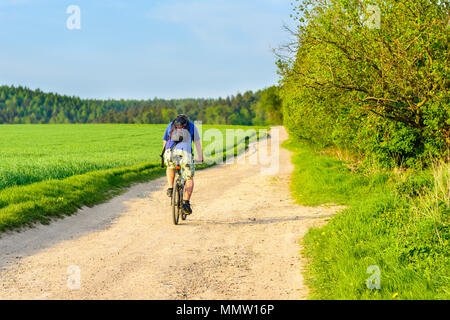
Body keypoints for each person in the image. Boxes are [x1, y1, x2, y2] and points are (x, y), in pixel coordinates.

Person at [162, 114, 203, 214]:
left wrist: (164, 154)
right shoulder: (192, 126)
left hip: (170, 152)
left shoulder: (171, 124)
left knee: (170, 167)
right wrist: (200, 157)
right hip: (186, 154)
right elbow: (197, 142)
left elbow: (165, 140)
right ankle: (186, 203)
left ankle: (171, 188)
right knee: (189, 178)